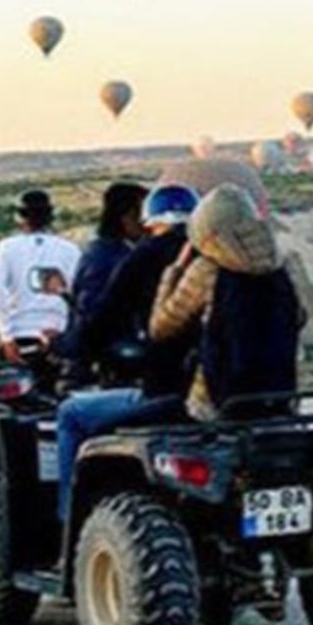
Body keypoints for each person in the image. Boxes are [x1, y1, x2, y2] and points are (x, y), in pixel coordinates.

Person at [53, 183, 199, 522]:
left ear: (149, 220)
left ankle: (69, 525)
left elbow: (100, 321)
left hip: (170, 393)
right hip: (248, 396)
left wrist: (64, 348)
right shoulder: (227, 260)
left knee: (71, 415)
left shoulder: (144, 257)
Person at [150, 183, 299, 421]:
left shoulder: (207, 270)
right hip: (279, 398)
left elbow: (161, 328)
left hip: (215, 402)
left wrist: (175, 271)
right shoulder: (280, 268)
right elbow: (298, 318)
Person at [52, 181, 147, 385]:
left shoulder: (115, 252)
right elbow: (92, 314)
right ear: (127, 216)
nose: (148, 223)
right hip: (115, 361)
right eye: (143, 214)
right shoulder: (108, 258)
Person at [0, 190, 81, 368]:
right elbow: (77, 296)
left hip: (20, 334)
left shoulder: (7, 248)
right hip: (57, 334)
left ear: (20, 217)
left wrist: (6, 337)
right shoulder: (70, 250)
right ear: (50, 217)